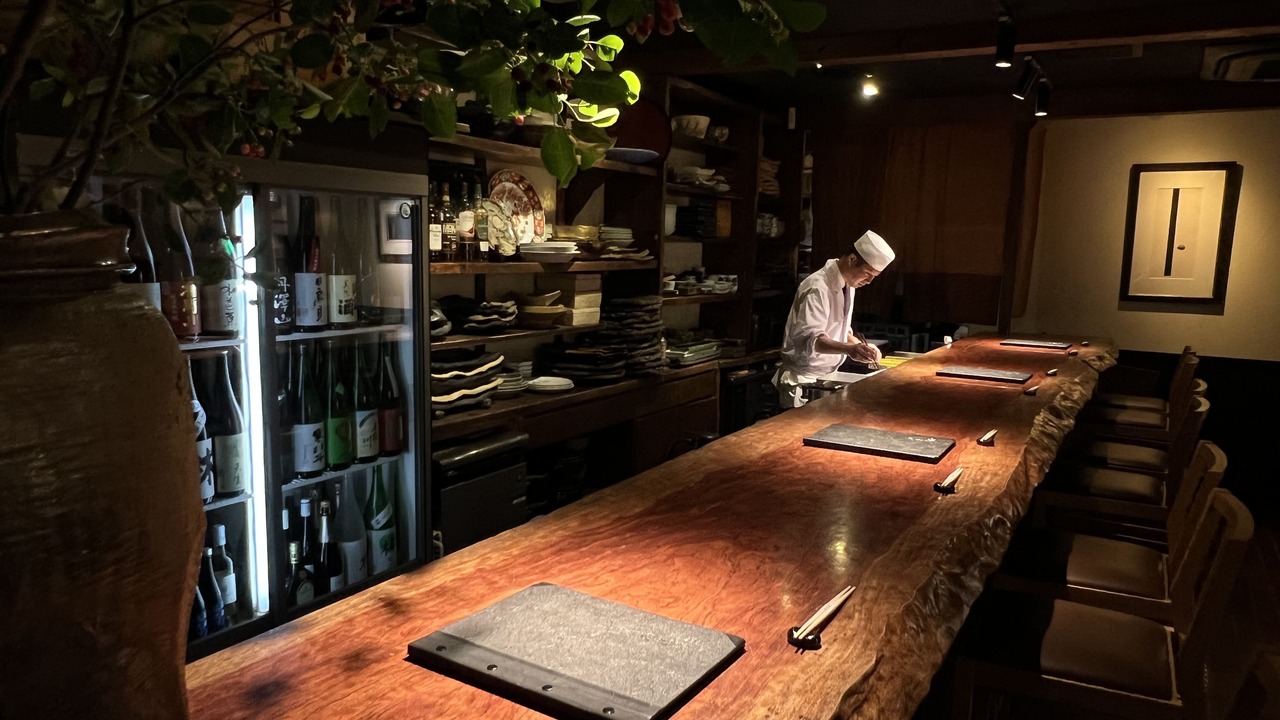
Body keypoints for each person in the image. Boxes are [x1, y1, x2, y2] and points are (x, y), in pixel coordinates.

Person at [773, 230, 896, 408]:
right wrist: (849, 349)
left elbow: (840, 331)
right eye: (867, 274)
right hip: (804, 380)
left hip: (827, 376)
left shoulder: (849, 285)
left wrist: (862, 347)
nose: (869, 281)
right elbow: (812, 340)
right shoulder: (818, 286)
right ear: (852, 259)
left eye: (874, 277)